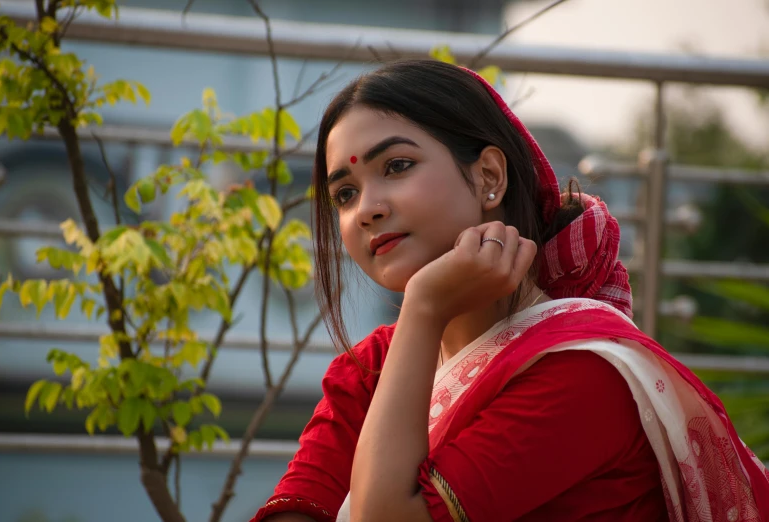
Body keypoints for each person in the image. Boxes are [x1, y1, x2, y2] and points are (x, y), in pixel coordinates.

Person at [250, 60, 769, 522]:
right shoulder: (372, 369)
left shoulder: (584, 375)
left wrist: (426, 307)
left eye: (397, 166)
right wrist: (421, 320)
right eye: (345, 193)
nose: (366, 209)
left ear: (489, 177)